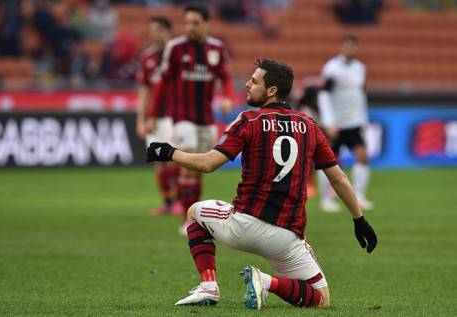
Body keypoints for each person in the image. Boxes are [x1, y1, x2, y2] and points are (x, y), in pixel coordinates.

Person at [146, 59, 378, 310]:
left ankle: (208, 286)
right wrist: (359, 220)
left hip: (244, 226)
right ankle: (266, 281)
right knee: (321, 298)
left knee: (193, 213)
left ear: (272, 91)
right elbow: (339, 178)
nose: (247, 84)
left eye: (254, 81)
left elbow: (207, 164)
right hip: (287, 237)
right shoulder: (310, 126)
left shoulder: (248, 120)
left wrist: (169, 152)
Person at [146, 4, 234, 233]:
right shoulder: (175, 48)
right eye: (187, 23)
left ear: (206, 23)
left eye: (195, 23)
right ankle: (188, 219)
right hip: (182, 117)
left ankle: (193, 214)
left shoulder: (216, 48)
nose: (190, 27)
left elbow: (225, 77)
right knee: (190, 160)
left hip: (206, 118)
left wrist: (227, 98)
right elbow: (161, 83)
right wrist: (153, 115)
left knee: (199, 167)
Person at [317, 35, 374, 212]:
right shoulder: (332, 69)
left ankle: (359, 197)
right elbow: (323, 95)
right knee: (329, 163)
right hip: (336, 123)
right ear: (342, 47)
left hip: (354, 121)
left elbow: (360, 94)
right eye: (348, 46)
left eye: (354, 47)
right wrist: (329, 121)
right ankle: (326, 200)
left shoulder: (360, 68)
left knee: (362, 156)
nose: (351, 50)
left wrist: (363, 119)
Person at [136, 16, 181, 216]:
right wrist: (141, 119)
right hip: (154, 116)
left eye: (156, 30)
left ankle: (180, 199)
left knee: (175, 158)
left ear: (166, 30)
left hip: (175, 115)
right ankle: (167, 202)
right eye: (151, 30)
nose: (153, 34)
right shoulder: (148, 57)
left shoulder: (179, 53)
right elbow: (145, 89)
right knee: (158, 159)